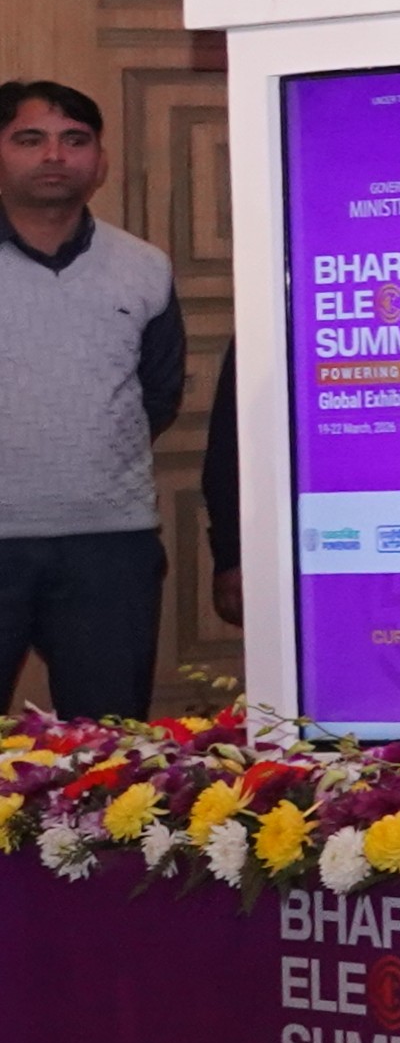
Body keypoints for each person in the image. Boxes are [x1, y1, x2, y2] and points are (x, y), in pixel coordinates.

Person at [0, 79, 181, 724]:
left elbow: (158, 393)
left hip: (109, 548)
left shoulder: (144, 266)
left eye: (74, 140)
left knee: (111, 743)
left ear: (99, 162)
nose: (55, 155)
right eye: (30, 139)